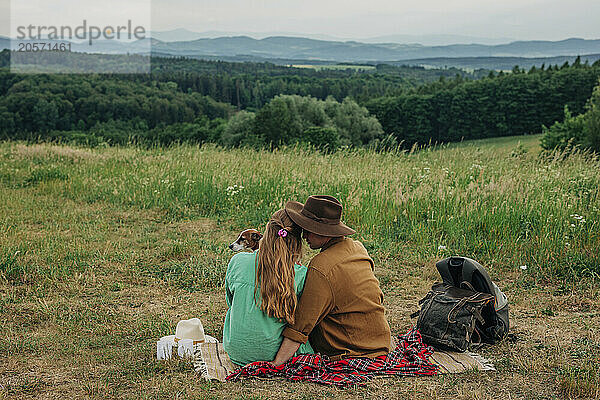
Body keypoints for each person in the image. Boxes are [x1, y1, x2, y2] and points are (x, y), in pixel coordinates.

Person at [272, 195, 391, 365]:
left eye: (309, 229)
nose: (304, 235)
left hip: (354, 350)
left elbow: (302, 325)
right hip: (379, 341)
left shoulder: (321, 266)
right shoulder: (356, 247)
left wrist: (276, 363)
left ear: (324, 232)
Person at [222, 209, 313, 366]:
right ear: (297, 242)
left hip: (236, 352)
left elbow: (231, 302)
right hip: (275, 354)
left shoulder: (237, 262)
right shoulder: (300, 274)